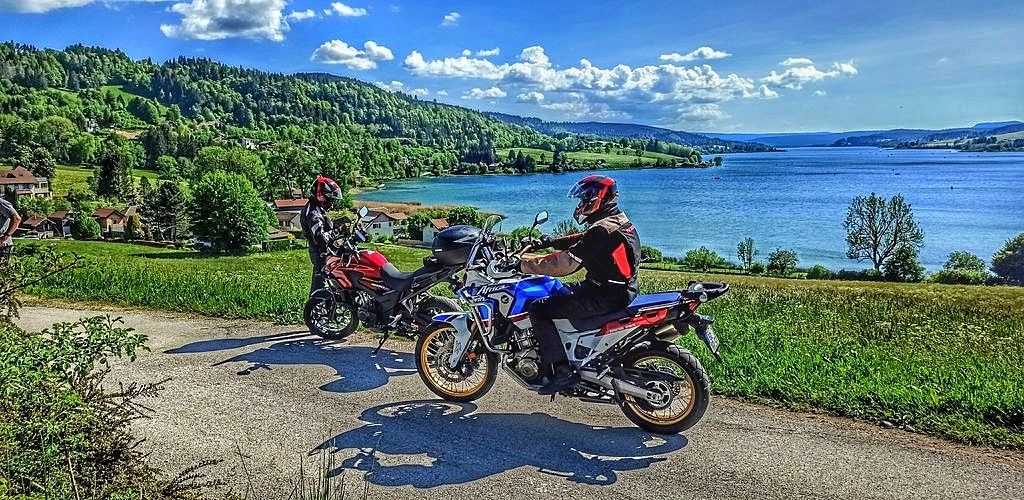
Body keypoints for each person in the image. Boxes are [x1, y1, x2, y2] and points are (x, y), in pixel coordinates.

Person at [520, 175, 641, 395]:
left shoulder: (602, 230)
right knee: (559, 292)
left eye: (584, 198)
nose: (580, 204)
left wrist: (524, 266)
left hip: (606, 294)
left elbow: (564, 264)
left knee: (539, 308)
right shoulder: (616, 221)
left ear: (597, 198)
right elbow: (584, 240)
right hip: (620, 289)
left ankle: (562, 372)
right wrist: (548, 242)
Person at [300, 176, 345, 294]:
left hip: (327, 252)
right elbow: (321, 238)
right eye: (329, 200)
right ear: (320, 195)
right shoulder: (313, 213)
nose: (332, 204)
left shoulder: (318, 208)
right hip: (321, 254)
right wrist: (339, 230)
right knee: (320, 287)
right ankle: (316, 309)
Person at [0, 197, 22, 266]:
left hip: (2, 246)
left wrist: (5, 236)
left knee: (2, 272)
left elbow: (16, 219)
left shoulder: (1, 203)